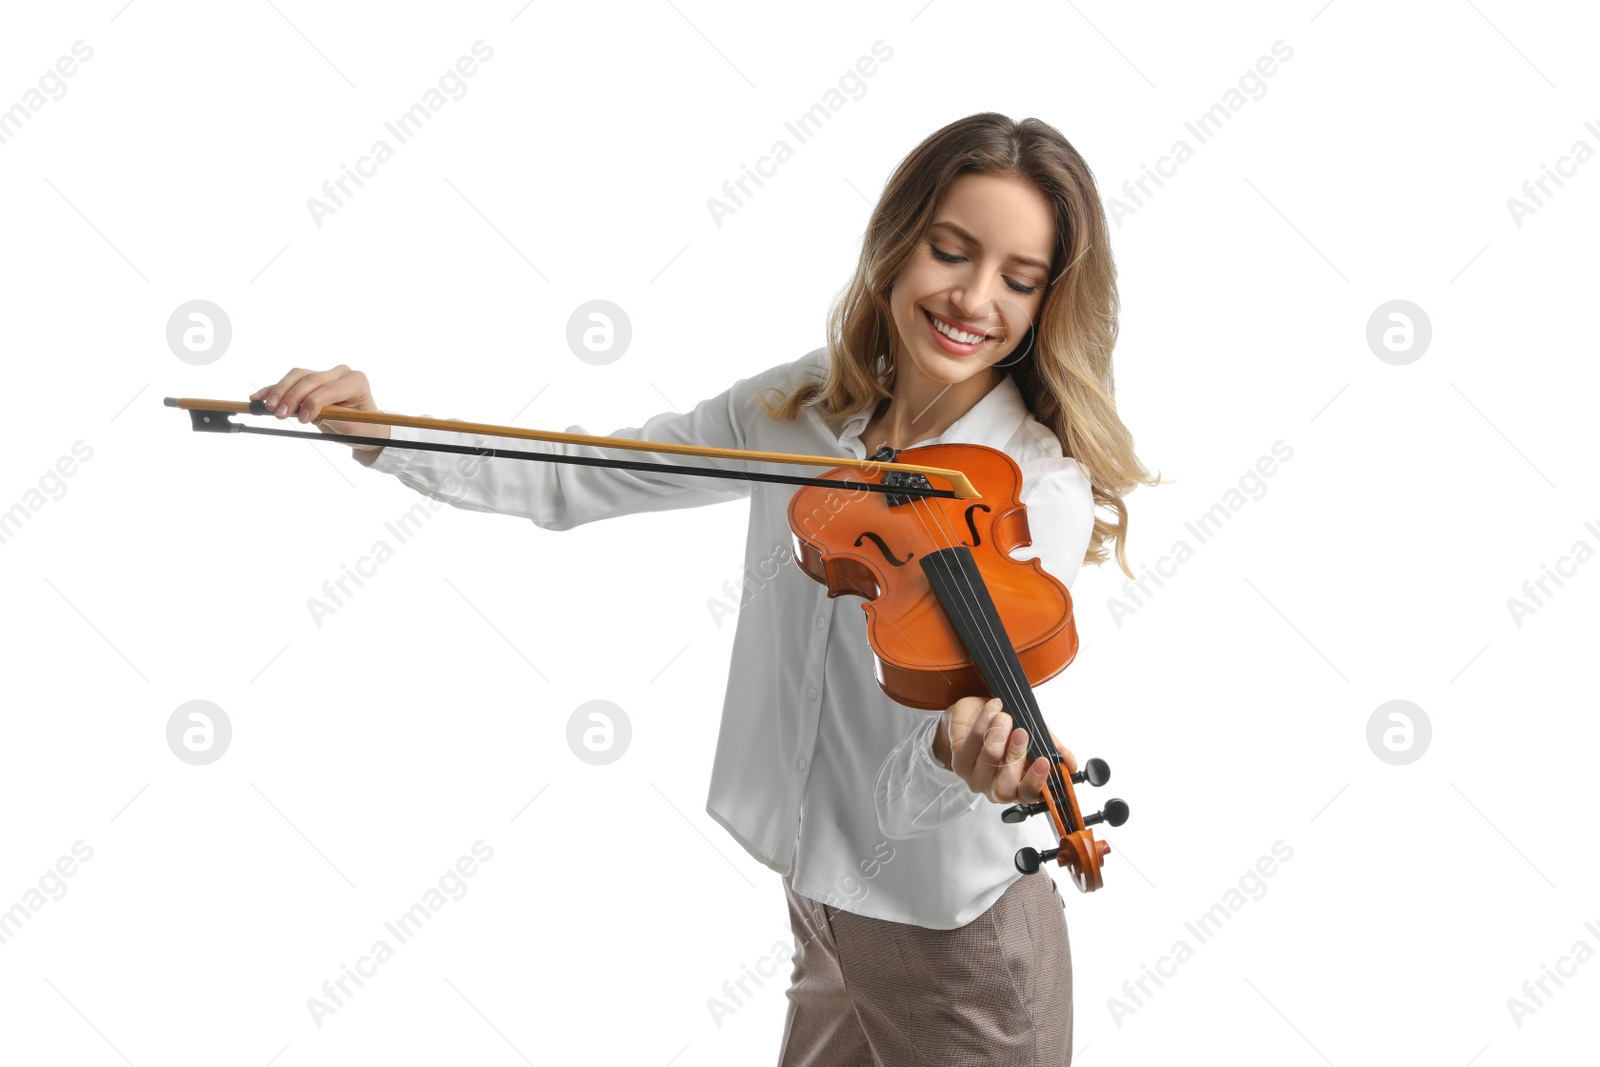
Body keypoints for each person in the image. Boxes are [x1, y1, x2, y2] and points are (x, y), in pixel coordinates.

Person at [252, 112, 1157, 1066]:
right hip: (821, 904)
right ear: (897, 243)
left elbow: (936, 744)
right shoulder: (806, 406)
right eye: (950, 251)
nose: (975, 299)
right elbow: (581, 473)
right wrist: (383, 430)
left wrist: (960, 754)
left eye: (1019, 280)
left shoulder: (1027, 490)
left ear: (1047, 303)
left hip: (956, 941)